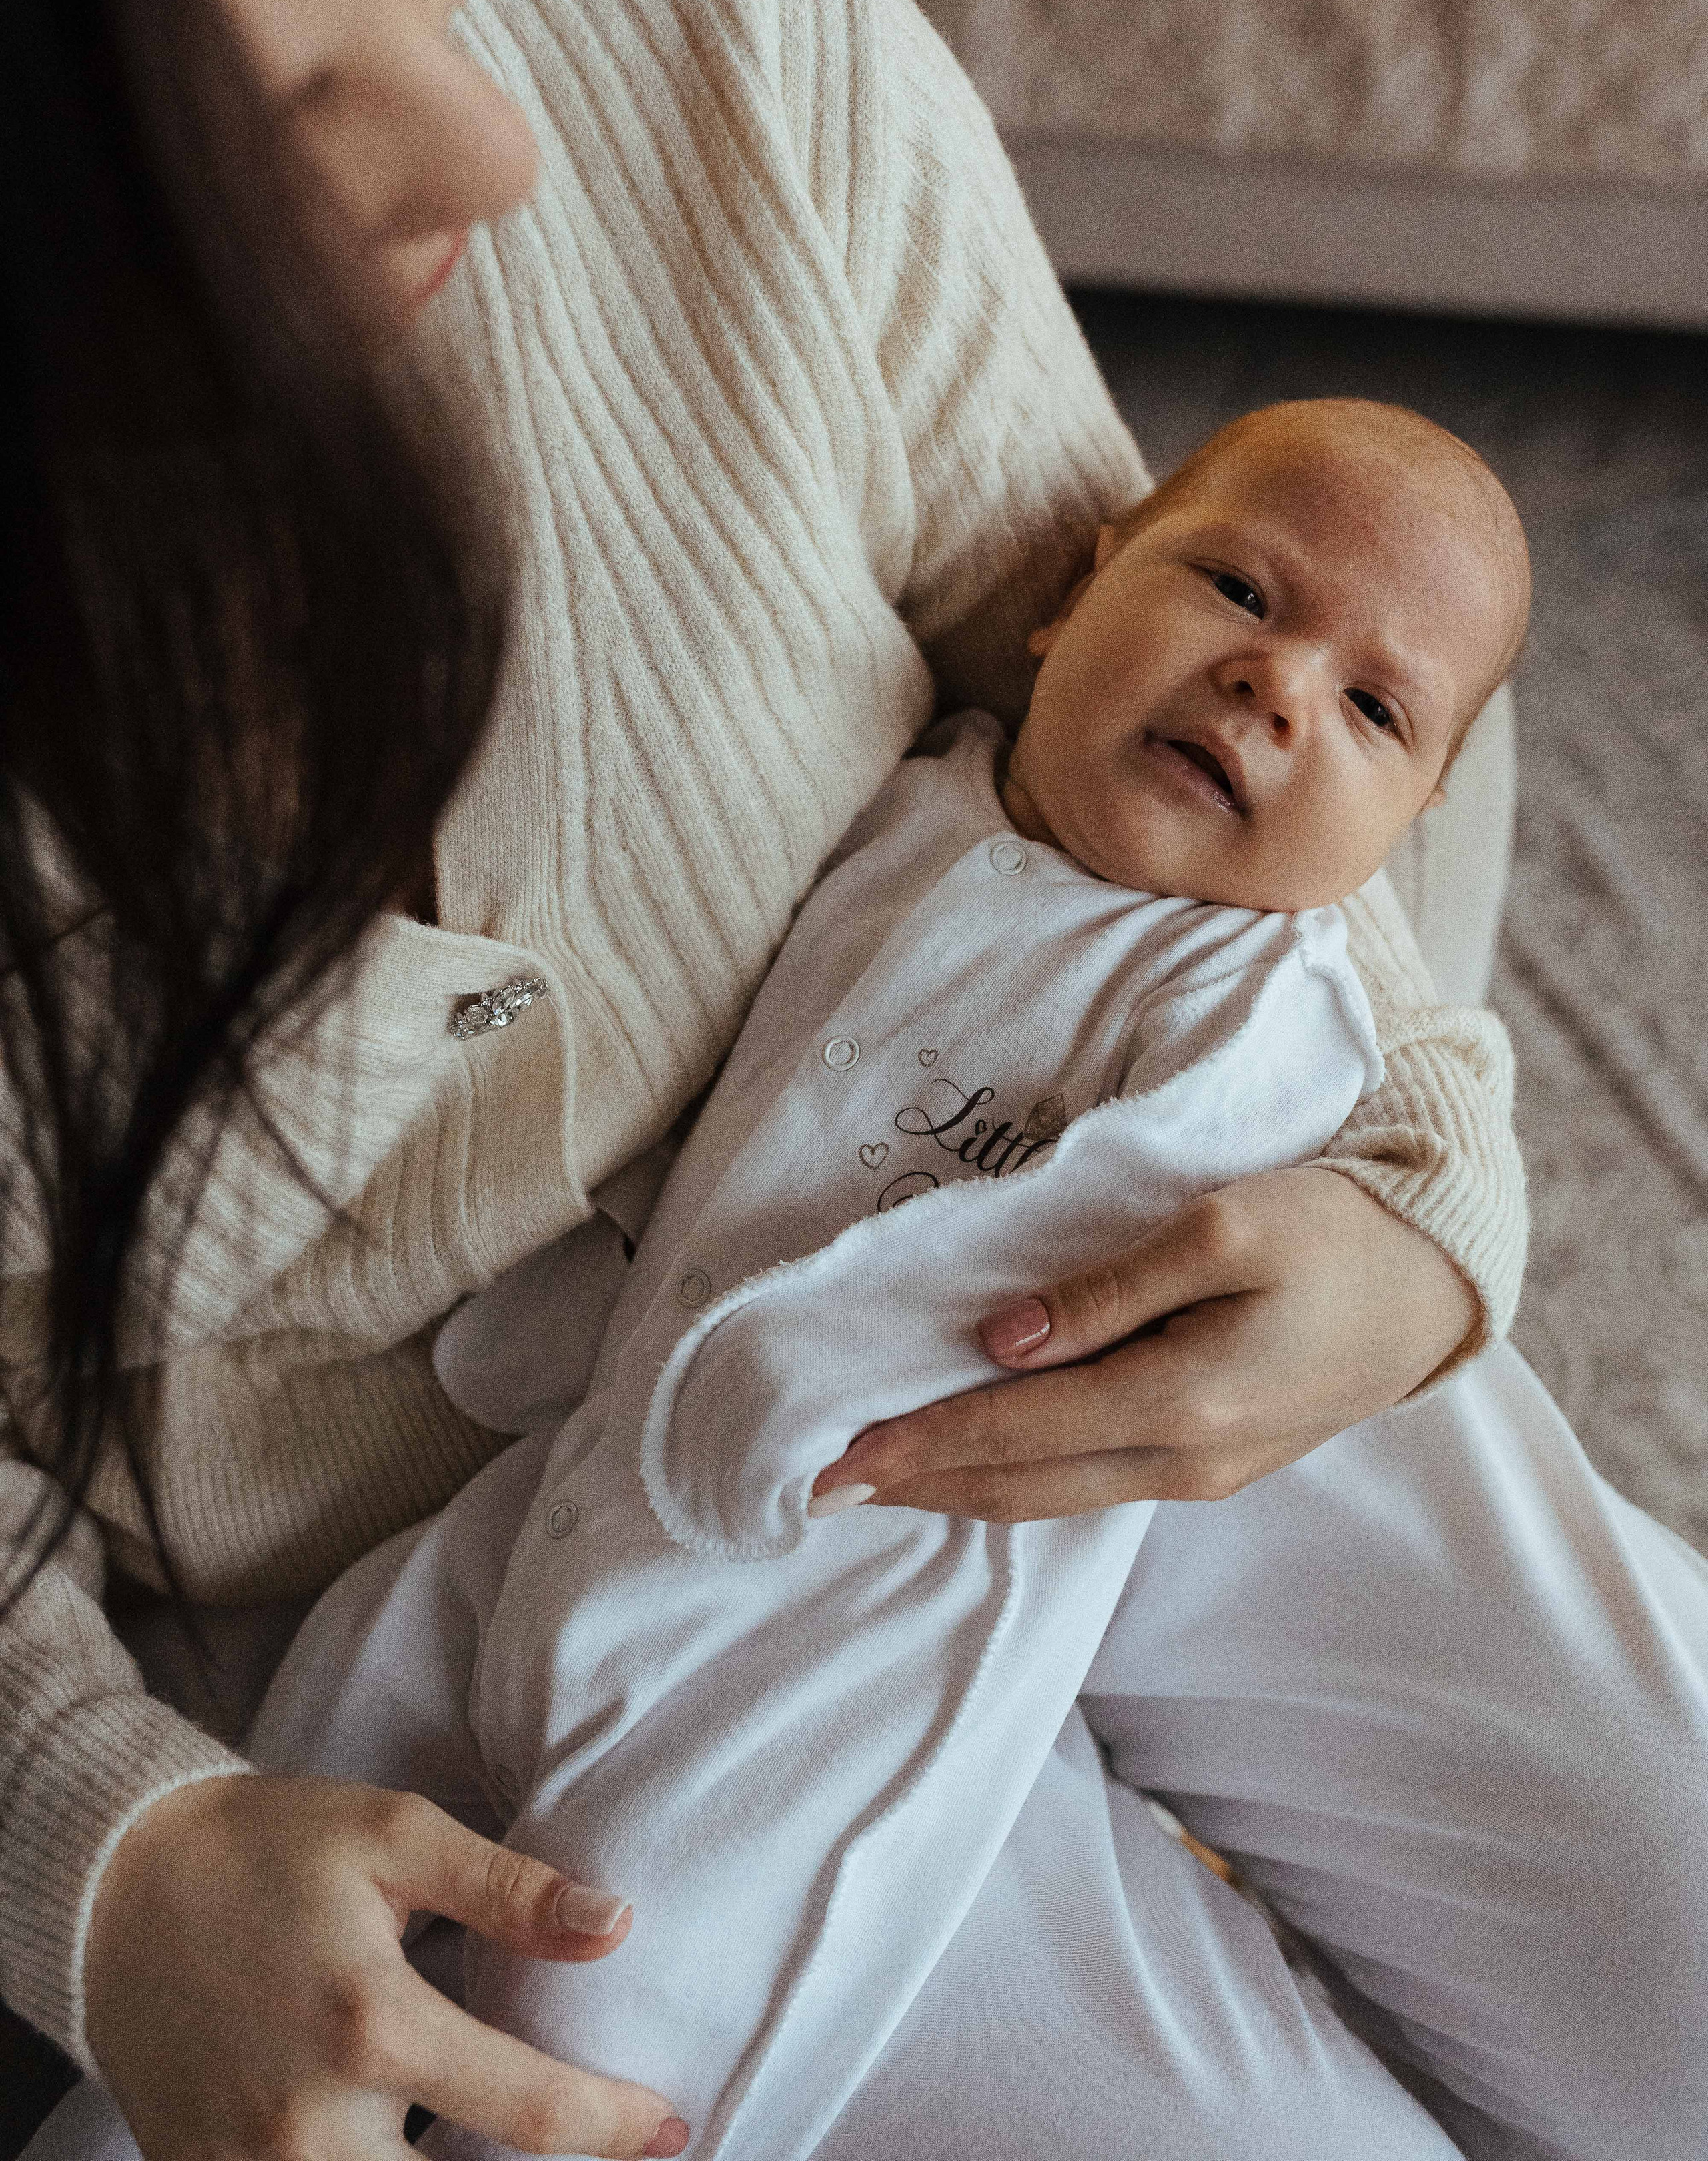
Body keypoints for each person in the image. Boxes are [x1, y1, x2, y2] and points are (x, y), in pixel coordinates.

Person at [0, 0, 1701, 2160]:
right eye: (271, 113)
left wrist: (1415, 1209)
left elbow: (1200, 664)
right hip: (511, 1682)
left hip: (1075, 1266)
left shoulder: (722, 20)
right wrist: (105, 1852)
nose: (492, 140)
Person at [229, 399, 1529, 2161]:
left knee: (618, 1978)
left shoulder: (1253, 1007)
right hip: (580, 1478)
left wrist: (769, 1382)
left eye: (1377, 710)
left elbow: (1057, 1245)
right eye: (1236, 588)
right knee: (332, 1743)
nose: (1278, 687)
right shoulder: (920, 802)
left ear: (1409, 821)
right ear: (1077, 595)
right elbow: (714, 1122)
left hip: (837, 1586)